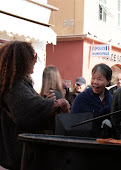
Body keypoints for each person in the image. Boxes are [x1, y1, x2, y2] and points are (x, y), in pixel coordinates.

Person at [0, 41, 70, 170]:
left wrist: (43, 101)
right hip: (17, 155)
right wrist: (55, 104)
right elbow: (28, 110)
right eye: (32, 57)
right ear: (24, 60)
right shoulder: (15, 85)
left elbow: (28, 104)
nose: (34, 61)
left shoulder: (14, 83)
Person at [70, 63, 113, 138]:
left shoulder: (112, 100)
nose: (95, 82)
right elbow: (73, 123)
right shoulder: (82, 98)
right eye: (93, 78)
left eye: (99, 79)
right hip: (85, 142)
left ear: (108, 81)